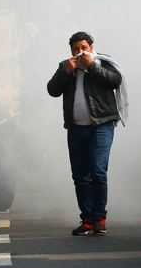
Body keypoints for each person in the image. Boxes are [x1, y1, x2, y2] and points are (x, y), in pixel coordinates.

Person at [47, 31, 125, 236]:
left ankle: (100, 217)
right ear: (71, 50)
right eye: (76, 49)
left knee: (98, 171)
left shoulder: (103, 63)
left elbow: (115, 80)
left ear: (91, 47)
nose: (80, 52)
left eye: (84, 47)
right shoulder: (66, 65)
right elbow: (52, 90)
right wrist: (66, 72)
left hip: (102, 125)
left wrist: (92, 67)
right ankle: (87, 220)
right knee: (81, 176)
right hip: (76, 129)